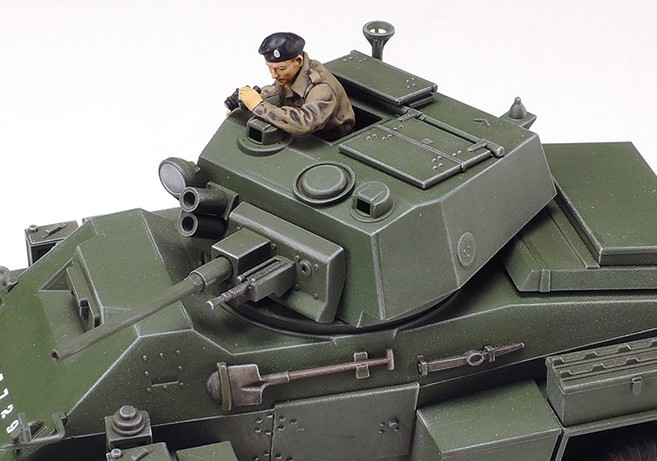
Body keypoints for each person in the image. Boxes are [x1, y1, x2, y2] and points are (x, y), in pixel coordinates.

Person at [235, 32, 355, 141]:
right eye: (270, 68)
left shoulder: (321, 88)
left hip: (329, 137)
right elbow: (276, 89)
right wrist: (252, 96)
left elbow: (306, 123)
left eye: (281, 68)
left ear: (298, 61)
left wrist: (259, 106)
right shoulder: (290, 74)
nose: (273, 75)